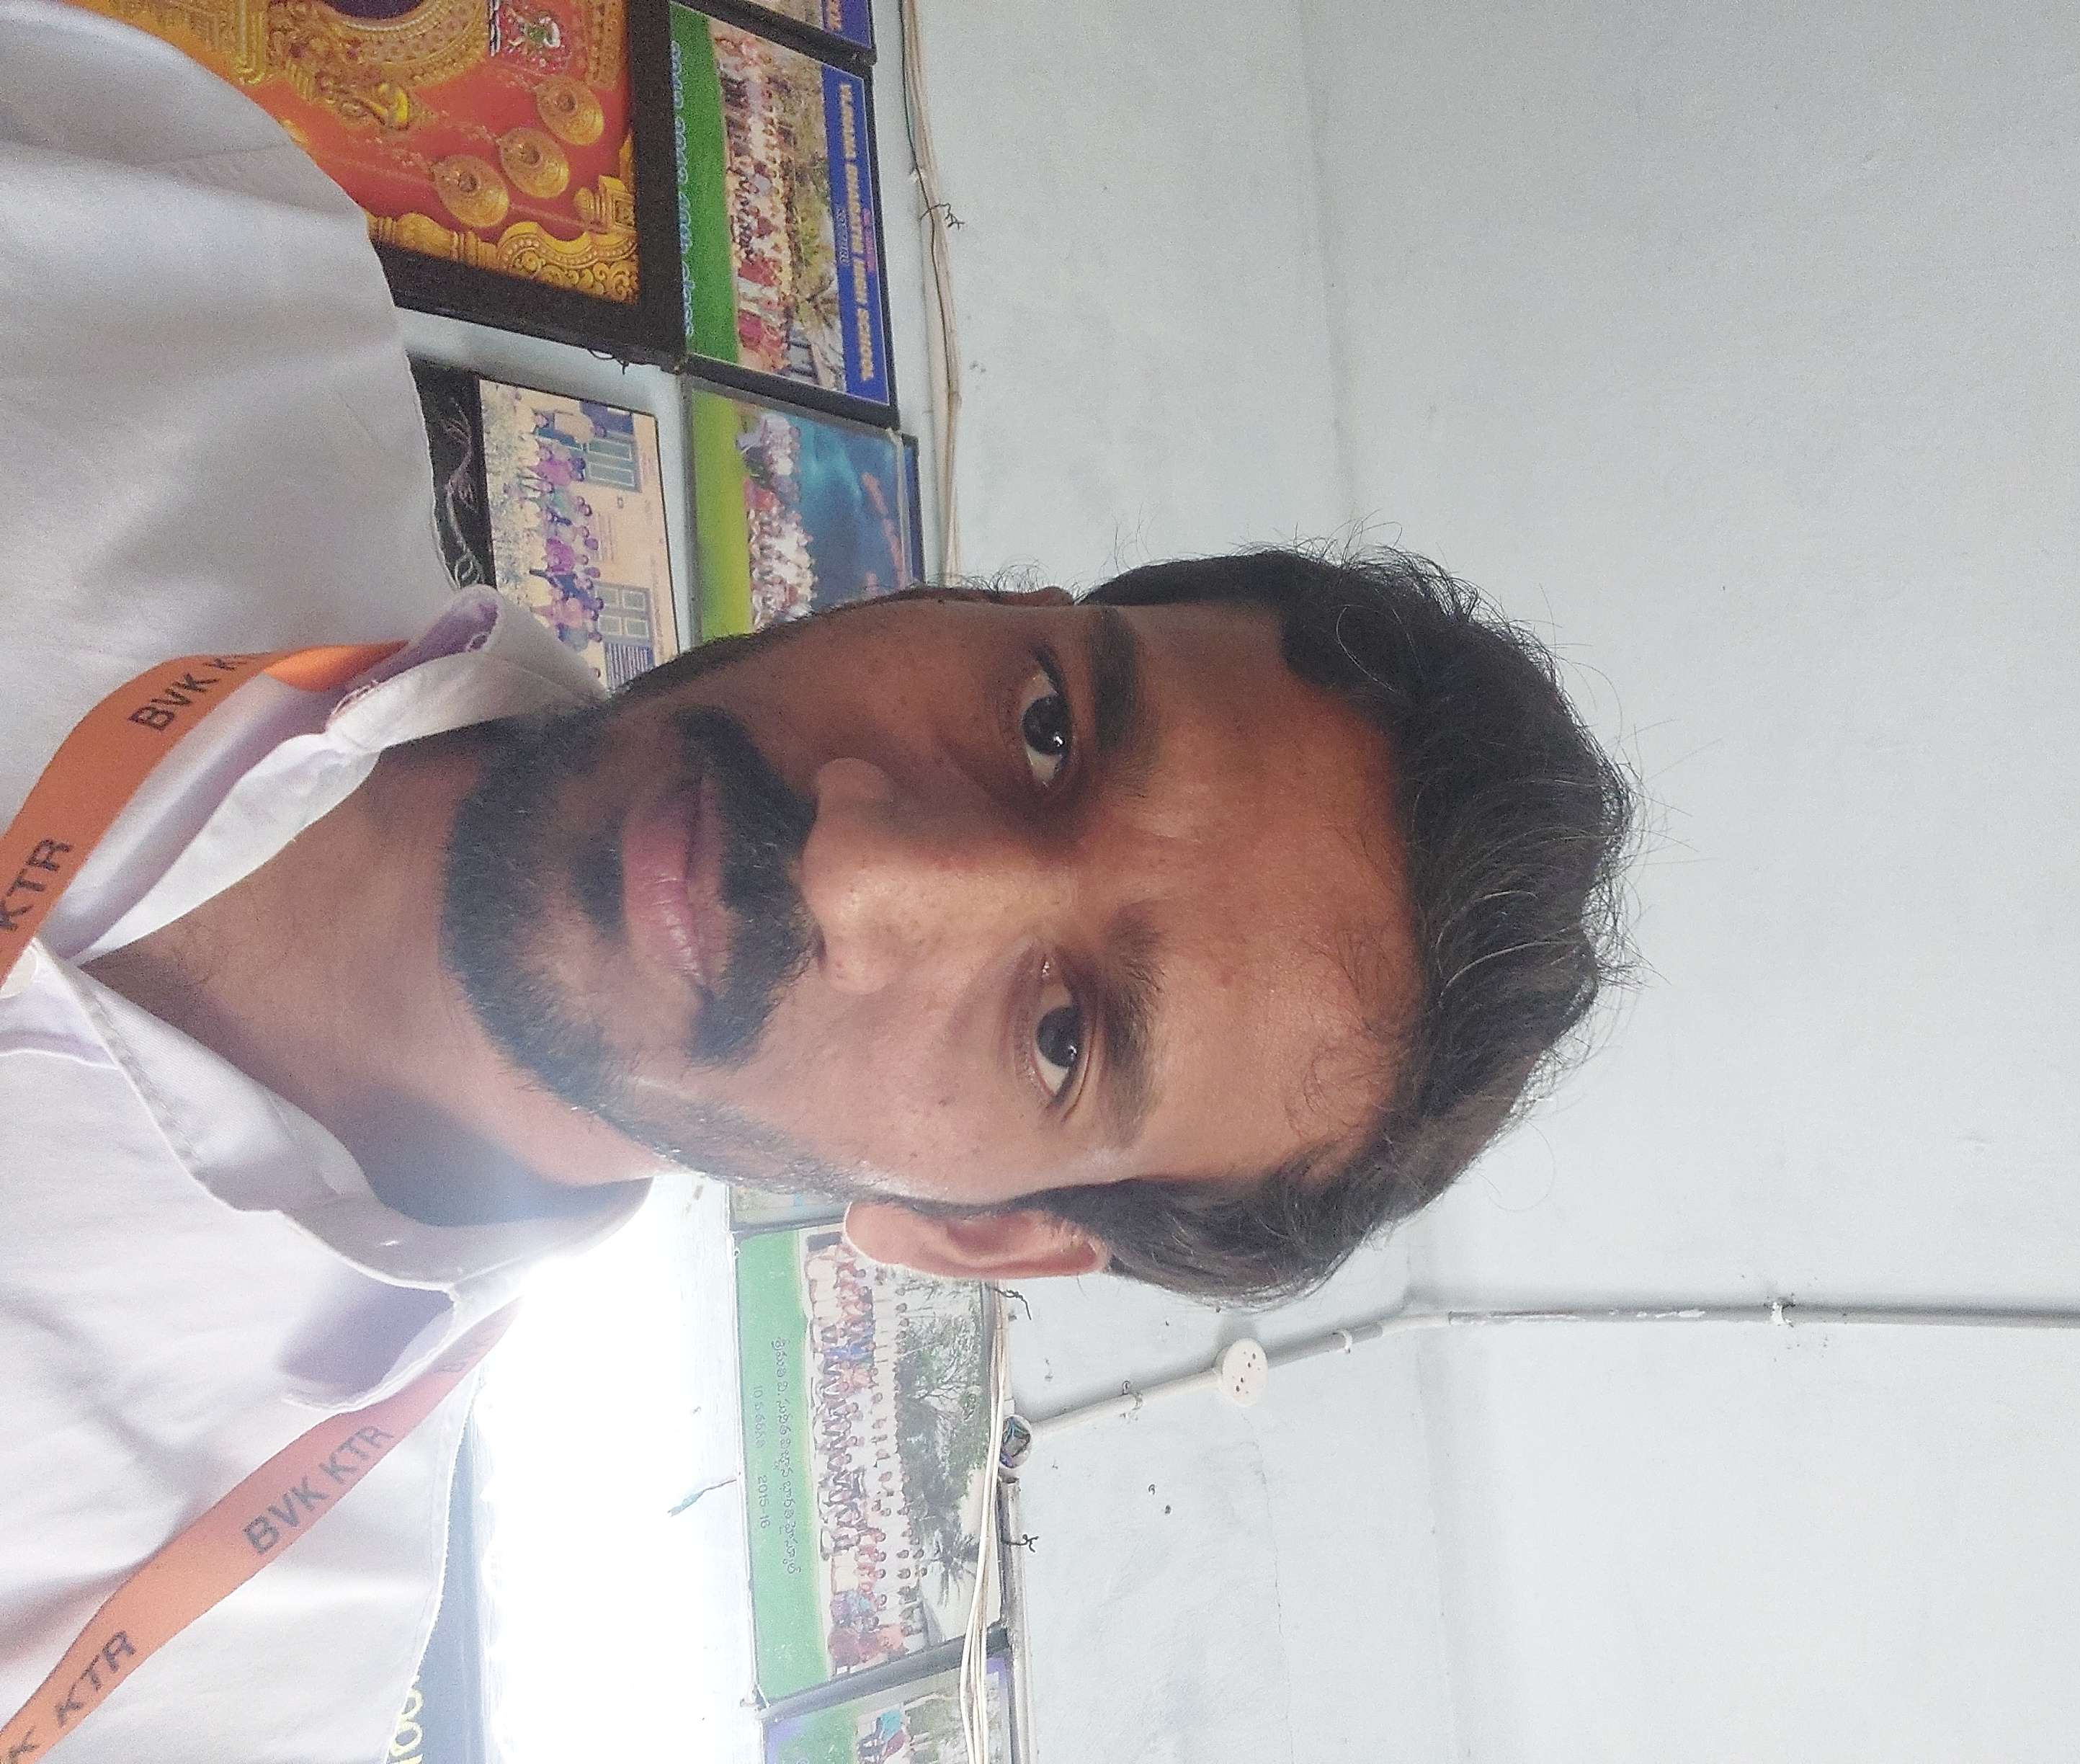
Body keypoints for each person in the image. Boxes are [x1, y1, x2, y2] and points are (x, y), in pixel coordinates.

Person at [0, 4, 1633, 1760]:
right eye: (1046, 726)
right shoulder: (167, 257)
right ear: (977, 603)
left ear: (980, 1233)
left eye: (1065, 1036)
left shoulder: (213, 1684)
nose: (868, 866)